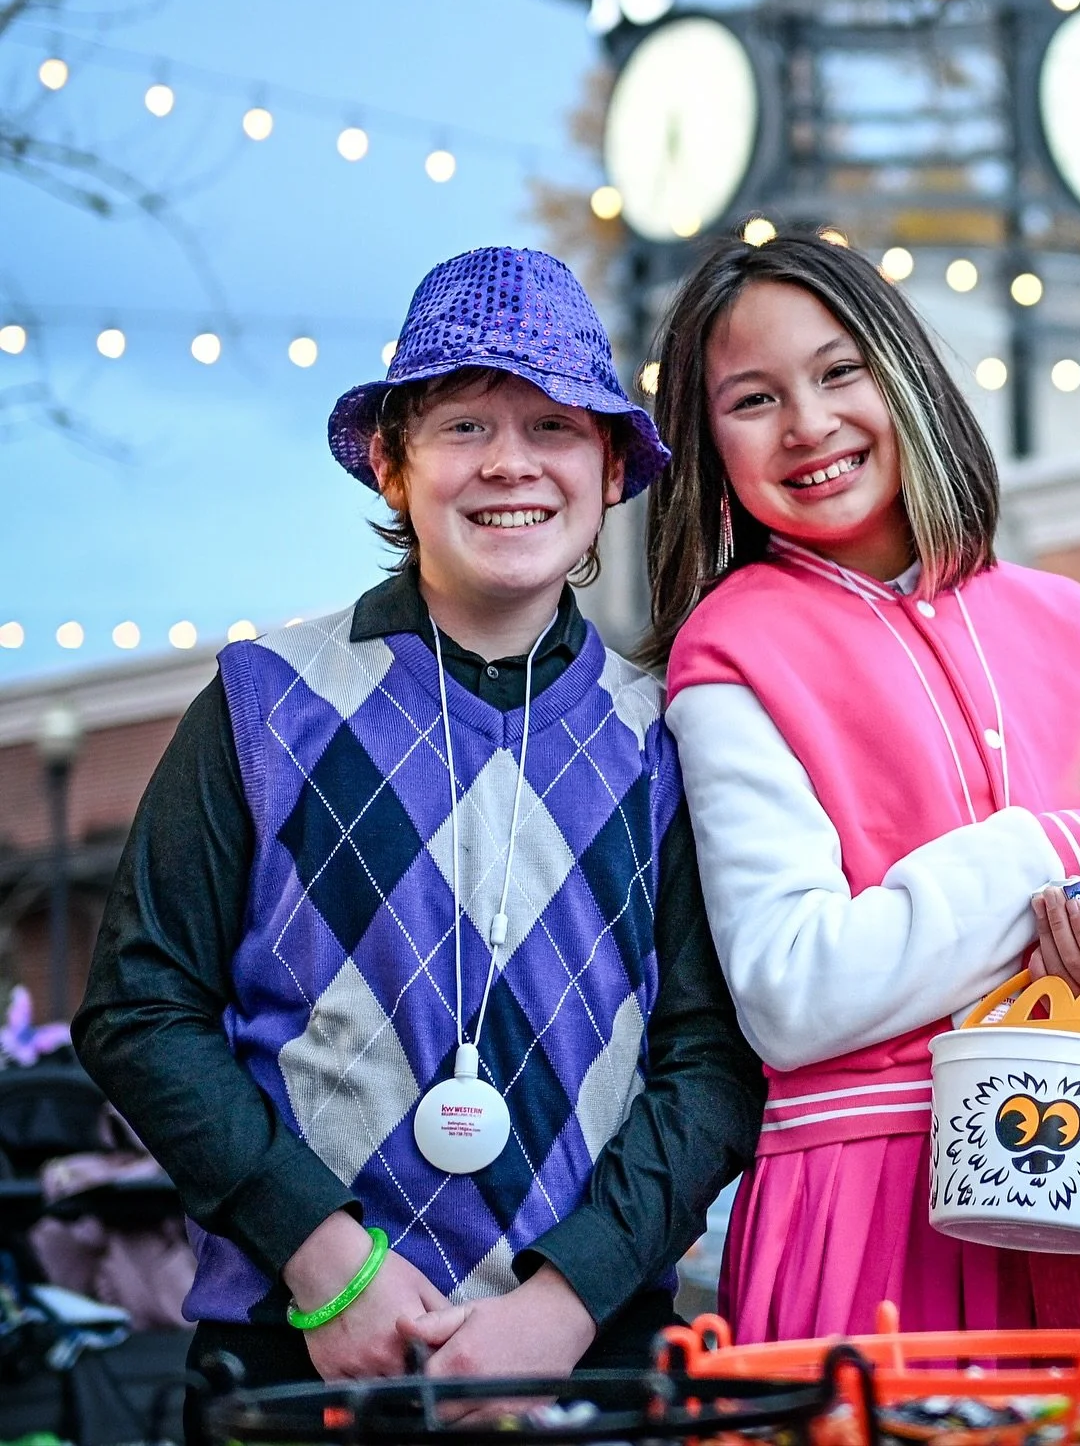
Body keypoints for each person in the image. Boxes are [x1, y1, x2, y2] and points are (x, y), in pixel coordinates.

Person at [73, 246, 764, 1424]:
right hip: (292, 1354)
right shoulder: (263, 701)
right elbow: (141, 1008)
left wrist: (567, 1296)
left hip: (589, 1358)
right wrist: (323, 1257)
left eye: (552, 425)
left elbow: (709, 1063)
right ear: (393, 465)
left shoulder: (671, 735)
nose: (510, 463)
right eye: (462, 426)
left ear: (608, 468)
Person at [641, 230, 1080, 1341]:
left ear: (906, 374)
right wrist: (1058, 853)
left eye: (840, 372)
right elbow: (795, 992)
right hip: (871, 1217)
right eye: (753, 399)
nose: (809, 424)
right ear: (709, 446)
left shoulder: (1068, 619)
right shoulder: (732, 650)